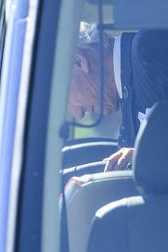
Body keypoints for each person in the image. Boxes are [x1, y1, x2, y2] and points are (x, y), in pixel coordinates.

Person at [68, 29, 168, 170]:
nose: (78, 114)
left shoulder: (148, 48)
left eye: (66, 100)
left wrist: (152, 156)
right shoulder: (126, 122)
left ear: (79, 62)